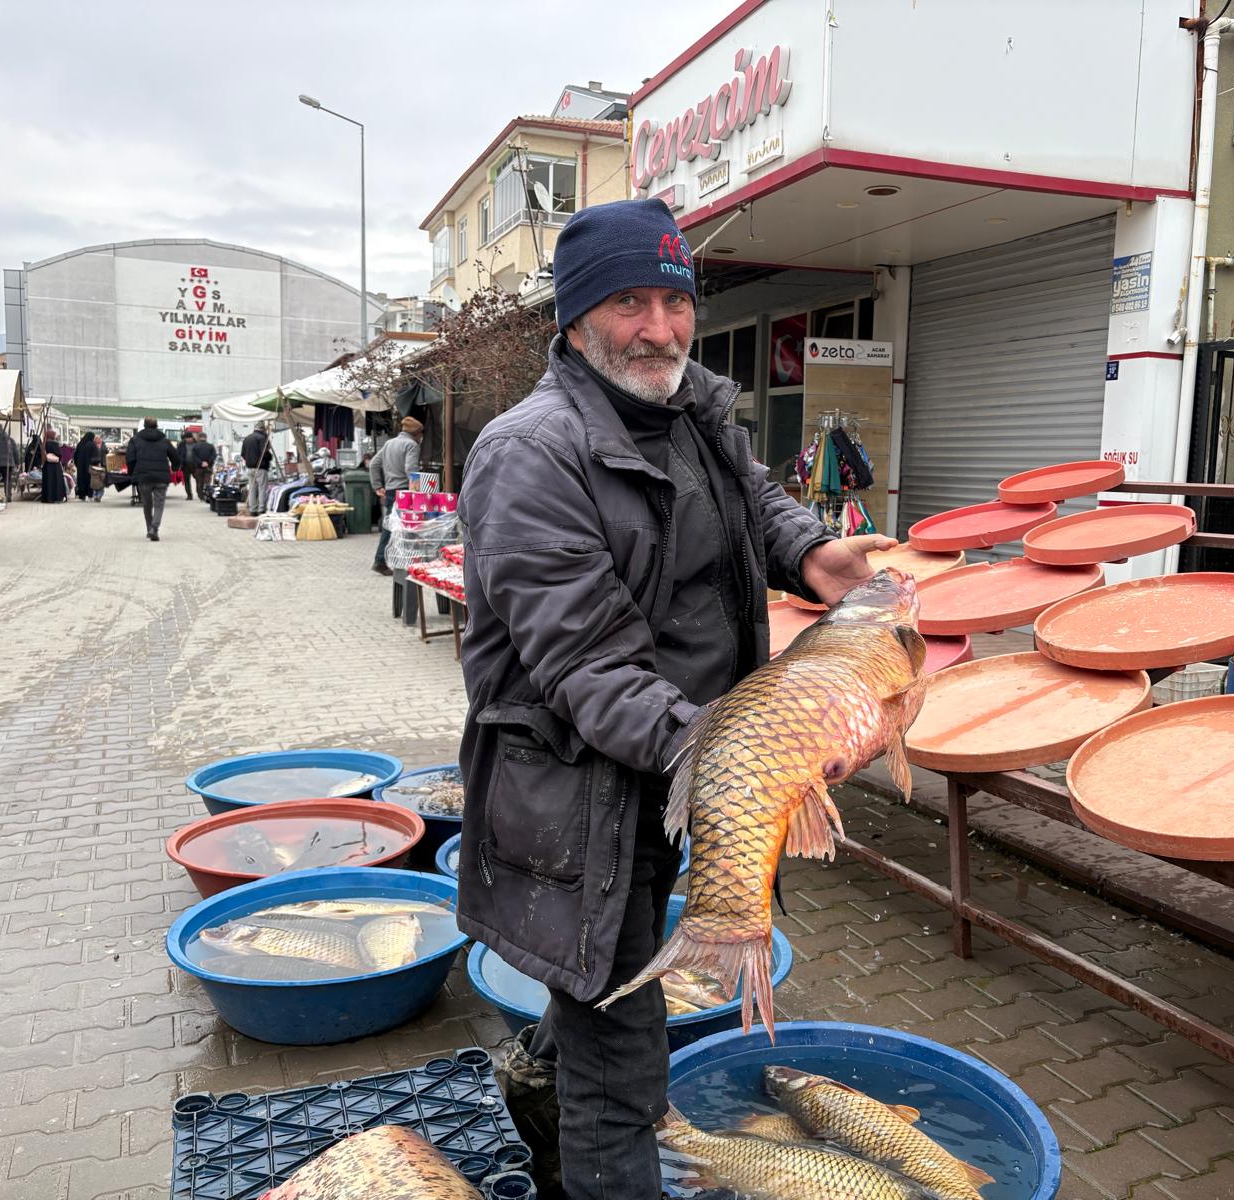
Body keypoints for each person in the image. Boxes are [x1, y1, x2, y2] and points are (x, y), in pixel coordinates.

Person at [455, 198, 888, 1200]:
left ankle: (533, 1086)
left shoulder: (688, 405)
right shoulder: (529, 457)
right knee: (626, 1080)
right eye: (626, 303)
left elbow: (753, 494)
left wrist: (809, 550)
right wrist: (750, 758)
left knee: (604, 982)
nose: (658, 327)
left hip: (678, 767)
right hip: (577, 797)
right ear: (572, 318)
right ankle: (590, 1144)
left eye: (673, 300)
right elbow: (589, 670)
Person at [367, 415, 422, 577]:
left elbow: (374, 464)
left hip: (391, 490)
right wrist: (417, 492)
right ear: (417, 433)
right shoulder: (411, 445)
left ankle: (402, 561)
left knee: (392, 525)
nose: (421, 437)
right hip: (405, 491)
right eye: (421, 433)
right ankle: (381, 561)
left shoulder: (389, 444)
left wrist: (377, 485)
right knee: (401, 526)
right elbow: (410, 469)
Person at [126, 417, 179, 540]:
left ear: (144, 425)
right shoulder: (164, 440)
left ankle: (150, 527)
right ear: (156, 425)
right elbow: (175, 456)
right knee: (159, 504)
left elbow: (130, 458)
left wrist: (132, 473)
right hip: (161, 477)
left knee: (147, 504)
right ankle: (154, 528)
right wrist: (175, 467)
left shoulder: (135, 440)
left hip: (143, 476)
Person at [240, 422, 273, 515]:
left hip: (250, 467)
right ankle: (261, 509)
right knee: (262, 488)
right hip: (261, 467)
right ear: (263, 429)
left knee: (252, 488)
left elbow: (242, 453)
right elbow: (265, 453)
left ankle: (252, 509)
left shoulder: (247, 438)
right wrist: (269, 457)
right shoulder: (263, 438)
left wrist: (249, 460)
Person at [39, 428, 67, 504]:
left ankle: (47, 498)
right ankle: (56, 497)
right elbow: (59, 455)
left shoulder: (44, 444)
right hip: (55, 466)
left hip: (47, 466)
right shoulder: (54, 444)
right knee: (56, 481)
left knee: (48, 481)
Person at [73, 431, 102, 503]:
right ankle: (90, 496)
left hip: (80, 467)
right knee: (89, 481)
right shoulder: (92, 445)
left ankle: (82, 496)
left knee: (81, 480)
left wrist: (78, 465)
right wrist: (96, 463)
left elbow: (75, 455)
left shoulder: (80, 444)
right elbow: (96, 457)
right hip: (89, 467)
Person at [192, 432, 216, 500]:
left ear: (199, 438)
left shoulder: (195, 446)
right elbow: (213, 456)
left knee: (199, 482)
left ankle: (201, 496)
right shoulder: (211, 446)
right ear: (206, 437)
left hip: (199, 468)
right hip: (208, 467)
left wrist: (201, 462)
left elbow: (194, 457)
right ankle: (207, 495)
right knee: (207, 481)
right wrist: (208, 462)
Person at [178, 430, 198, 499]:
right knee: (186, 481)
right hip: (185, 465)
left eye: (190, 438)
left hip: (195, 465)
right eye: (187, 438)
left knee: (198, 480)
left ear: (192, 438)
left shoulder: (197, 444)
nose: (188, 439)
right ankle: (189, 495)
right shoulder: (181, 444)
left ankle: (199, 493)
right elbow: (178, 453)